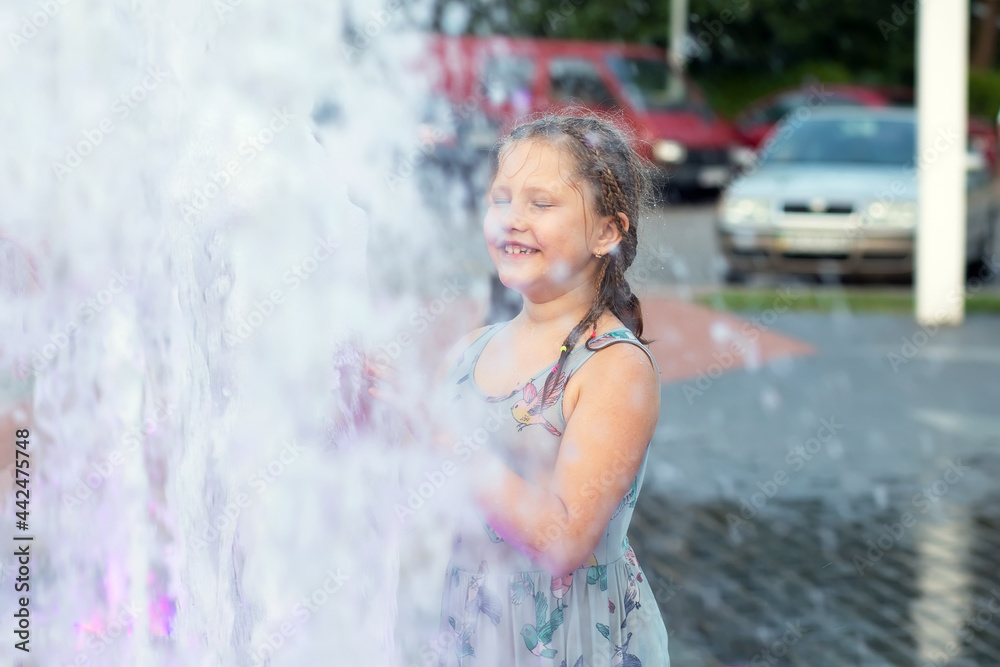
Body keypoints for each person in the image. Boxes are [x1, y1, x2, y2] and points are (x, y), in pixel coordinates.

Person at [369, 114, 670, 666]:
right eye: (501, 199)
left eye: (541, 203)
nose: (512, 219)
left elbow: (563, 542)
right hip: (469, 631)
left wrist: (437, 436)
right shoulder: (471, 350)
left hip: (563, 640)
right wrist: (372, 415)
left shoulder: (612, 366)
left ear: (607, 231)